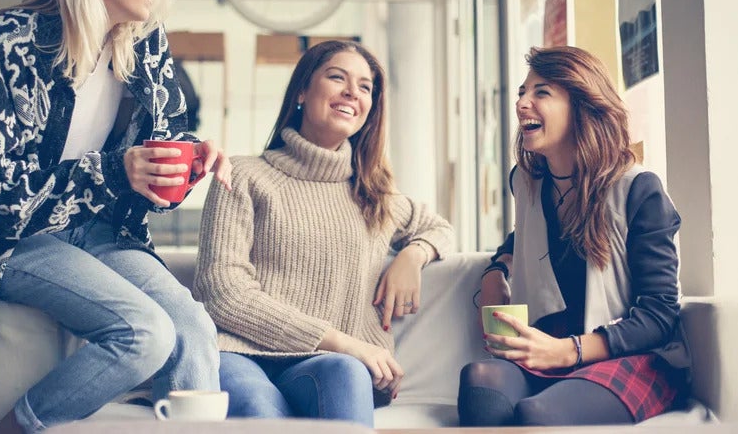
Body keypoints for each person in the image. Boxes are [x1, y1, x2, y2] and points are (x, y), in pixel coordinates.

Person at [0, 0, 231, 434]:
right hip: (10, 241)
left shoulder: (146, 44)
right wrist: (115, 170)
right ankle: (11, 429)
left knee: (192, 323)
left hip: (100, 233)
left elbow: (160, 156)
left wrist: (191, 158)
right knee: (145, 332)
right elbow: (0, 199)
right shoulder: (12, 41)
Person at [193, 40, 454, 426]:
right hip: (242, 354)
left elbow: (439, 228)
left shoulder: (374, 195)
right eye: (337, 77)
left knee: (346, 373)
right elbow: (222, 290)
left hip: (330, 365)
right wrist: (343, 341)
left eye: (365, 87)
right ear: (301, 90)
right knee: (261, 408)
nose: (352, 92)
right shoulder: (245, 176)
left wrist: (413, 256)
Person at [460, 46, 689, 426]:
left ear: (582, 104)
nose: (522, 103)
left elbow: (660, 313)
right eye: (521, 92)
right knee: (479, 382)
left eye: (541, 93)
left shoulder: (639, 190)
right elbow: (525, 238)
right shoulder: (527, 182)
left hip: (625, 356)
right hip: (547, 348)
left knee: (538, 414)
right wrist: (495, 272)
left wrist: (570, 351)